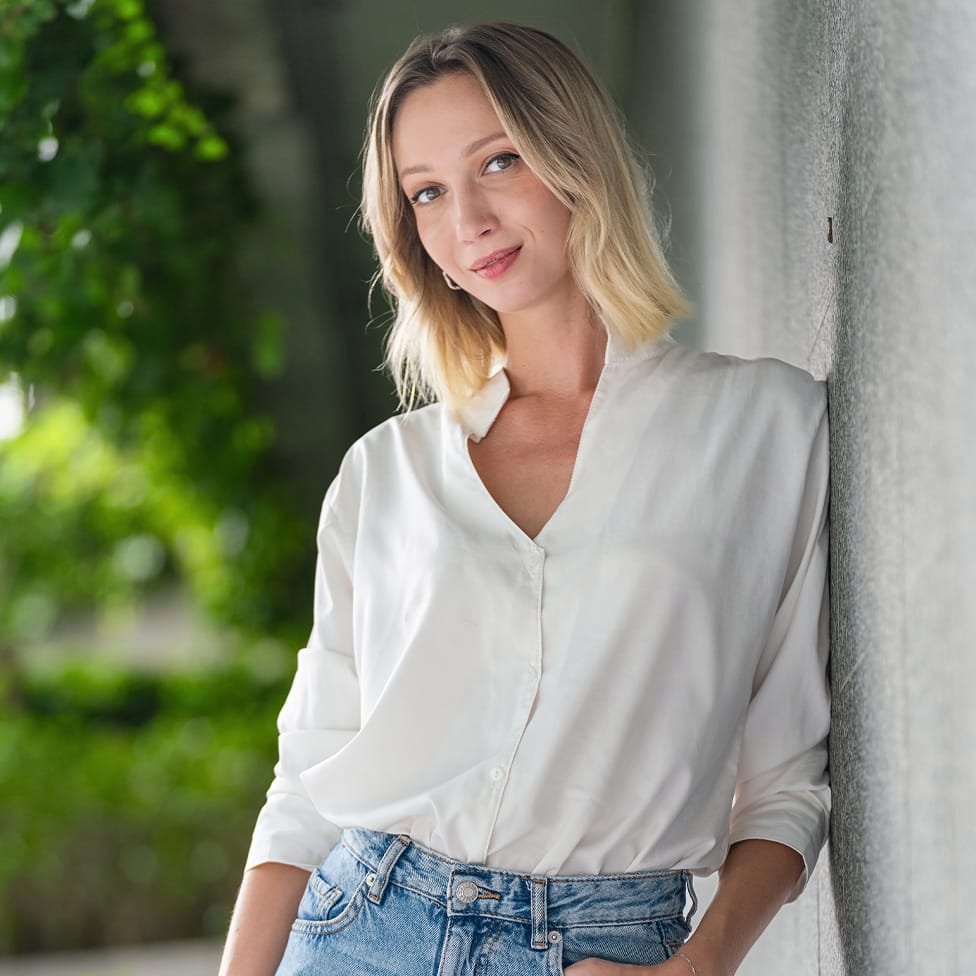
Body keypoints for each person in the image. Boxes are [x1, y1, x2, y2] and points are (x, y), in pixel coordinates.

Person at [218, 21, 830, 976]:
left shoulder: (767, 429)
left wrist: (701, 966)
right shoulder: (386, 475)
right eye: (427, 192)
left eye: (498, 161)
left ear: (573, 152)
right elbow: (304, 787)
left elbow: (790, 778)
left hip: (603, 946)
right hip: (363, 928)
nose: (469, 220)